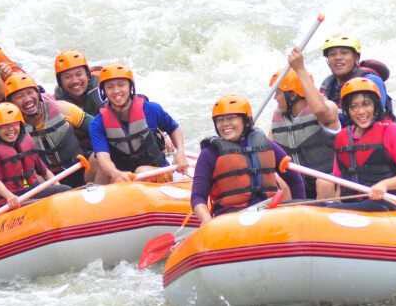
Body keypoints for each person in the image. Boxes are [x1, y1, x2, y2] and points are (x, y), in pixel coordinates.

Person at [192, 94, 306, 225]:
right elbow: (198, 197)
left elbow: (295, 179)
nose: (224, 124)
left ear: (245, 120)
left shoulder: (267, 145)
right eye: (220, 120)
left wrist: (299, 210)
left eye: (231, 118)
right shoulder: (210, 153)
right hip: (231, 220)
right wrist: (207, 221)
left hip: (269, 214)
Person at [317, 78, 396, 212]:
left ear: (375, 106)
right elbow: (340, 182)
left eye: (366, 104)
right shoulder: (342, 137)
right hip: (352, 206)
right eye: (354, 106)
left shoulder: (391, 130)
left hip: (386, 205)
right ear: (347, 110)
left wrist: (384, 185)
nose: (360, 111)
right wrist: (336, 204)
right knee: (302, 205)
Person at [0, 72, 94, 187]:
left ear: (38, 94)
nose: (27, 99)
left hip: (79, 167)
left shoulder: (63, 108)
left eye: (30, 93)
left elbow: (97, 129)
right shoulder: (10, 129)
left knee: (97, 158)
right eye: (19, 96)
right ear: (11, 103)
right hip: (44, 179)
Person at [90, 63, 188, 184]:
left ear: (130, 87)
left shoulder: (151, 109)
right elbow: (102, 157)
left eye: (121, 85)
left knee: (141, 171)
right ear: (103, 91)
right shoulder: (98, 123)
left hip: (155, 171)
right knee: (101, 169)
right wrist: (115, 173)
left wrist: (180, 152)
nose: (116, 91)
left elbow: (174, 128)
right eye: (110, 87)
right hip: (123, 174)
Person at [270, 47, 340, 199]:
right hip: (297, 185)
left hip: (329, 185)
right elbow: (266, 150)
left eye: (278, 93)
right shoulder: (277, 119)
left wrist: (299, 68)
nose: (275, 98)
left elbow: (321, 111)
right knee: (277, 180)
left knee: (324, 182)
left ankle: (324, 219)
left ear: (293, 95)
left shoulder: (328, 108)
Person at [0, 103, 69, 210]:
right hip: (9, 197)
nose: (10, 129)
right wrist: (10, 196)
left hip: (31, 190)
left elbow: (45, 171)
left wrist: (57, 184)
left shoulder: (26, 143)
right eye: (4, 126)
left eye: (14, 124)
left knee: (64, 189)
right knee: (63, 189)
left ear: (20, 125)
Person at [319, 35, 393, 124]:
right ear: (328, 61)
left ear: (356, 57)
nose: (338, 57)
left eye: (344, 53)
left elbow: (373, 116)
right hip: (339, 131)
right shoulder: (328, 83)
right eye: (332, 54)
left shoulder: (371, 81)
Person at [53, 50, 103, 116]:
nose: (75, 81)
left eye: (79, 74)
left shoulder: (102, 88)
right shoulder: (58, 98)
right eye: (67, 77)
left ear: (88, 75)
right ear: (60, 82)